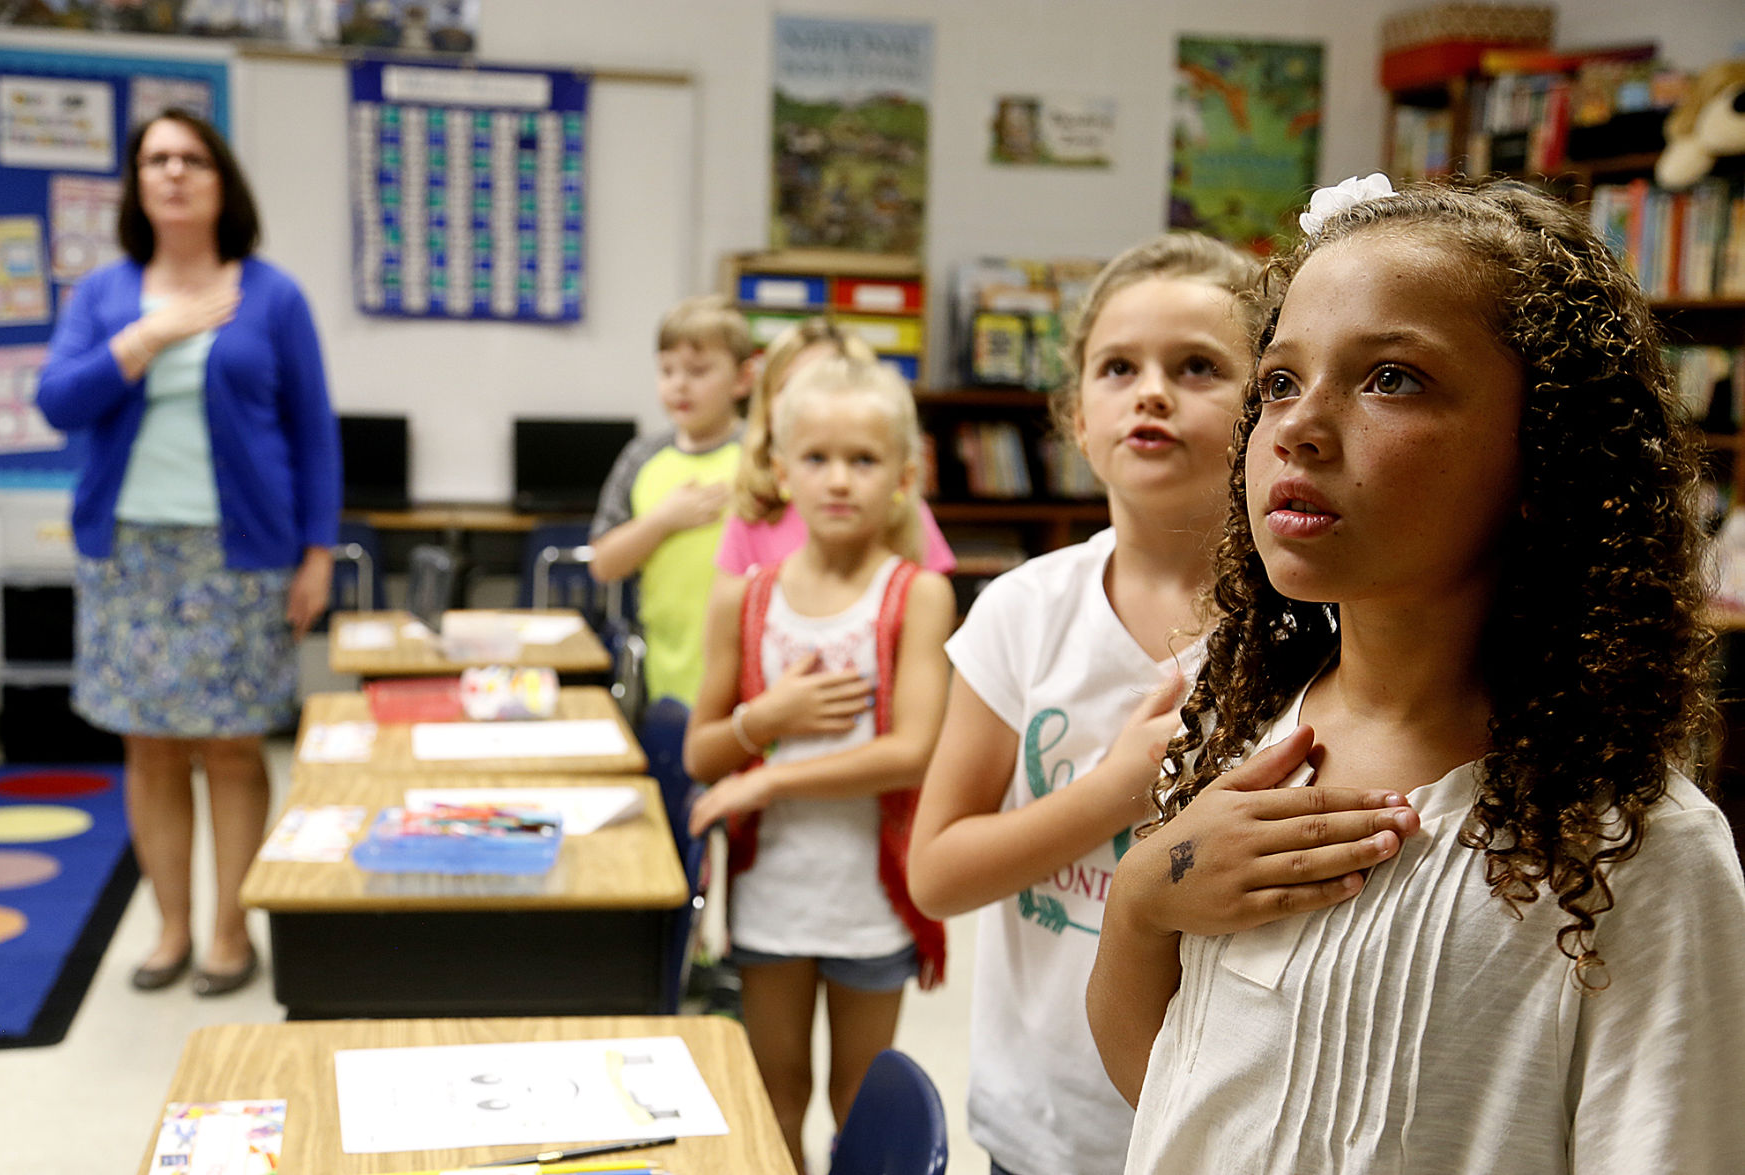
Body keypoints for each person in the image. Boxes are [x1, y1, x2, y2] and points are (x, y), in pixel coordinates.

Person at [1087, 178, 1745, 1173]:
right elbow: (1171, 1093)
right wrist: (1143, 892)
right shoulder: (1246, 726)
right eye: (1276, 381)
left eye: (1389, 377)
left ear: (1544, 456)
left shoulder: (1632, 852)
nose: (1298, 427)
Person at [906, 232, 1259, 1175]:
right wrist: (1112, 793)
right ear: (1075, 417)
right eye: (1118, 367)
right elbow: (937, 873)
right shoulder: (1021, 612)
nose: (1152, 391)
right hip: (1048, 1122)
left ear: (1267, 408)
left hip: (1226, 1124)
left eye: (1197, 367)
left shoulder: (1309, 630)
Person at [37, 109, 341, 997]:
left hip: (240, 554)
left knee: (233, 748)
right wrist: (147, 336)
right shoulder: (103, 294)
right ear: (137, 183)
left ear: (220, 180)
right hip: (127, 553)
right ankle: (169, 927)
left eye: (191, 158)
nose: (172, 172)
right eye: (155, 159)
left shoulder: (272, 295)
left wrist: (317, 553)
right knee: (152, 748)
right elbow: (59, 401)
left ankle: (227, 929)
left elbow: (312, 433)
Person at [684, 355, 954, 1172]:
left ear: (903, 476)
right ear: (780, 470)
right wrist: (760, 722)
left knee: (856, 1098)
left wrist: (769, 771)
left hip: (871, 898)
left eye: (864, 460)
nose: (839, 480)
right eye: (817, 458)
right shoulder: (746, 595)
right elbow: (701, 750)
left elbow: (912, 751)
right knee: (776, 1090)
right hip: (772, 895)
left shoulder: (918, 593)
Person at [588, 294, 754, 706]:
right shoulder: (641, 457)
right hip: (664, 669)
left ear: (742, 378)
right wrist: (663, 520)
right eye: (667, 371)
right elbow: (604, 564)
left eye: (698, 371)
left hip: (751, 668)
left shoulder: (762, 453)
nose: (679, 384)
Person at [716, 316, 956, 580]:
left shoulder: (902, 510)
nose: (812, 401)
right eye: (791, 386)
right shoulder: (753, 512)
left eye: (825, 382)